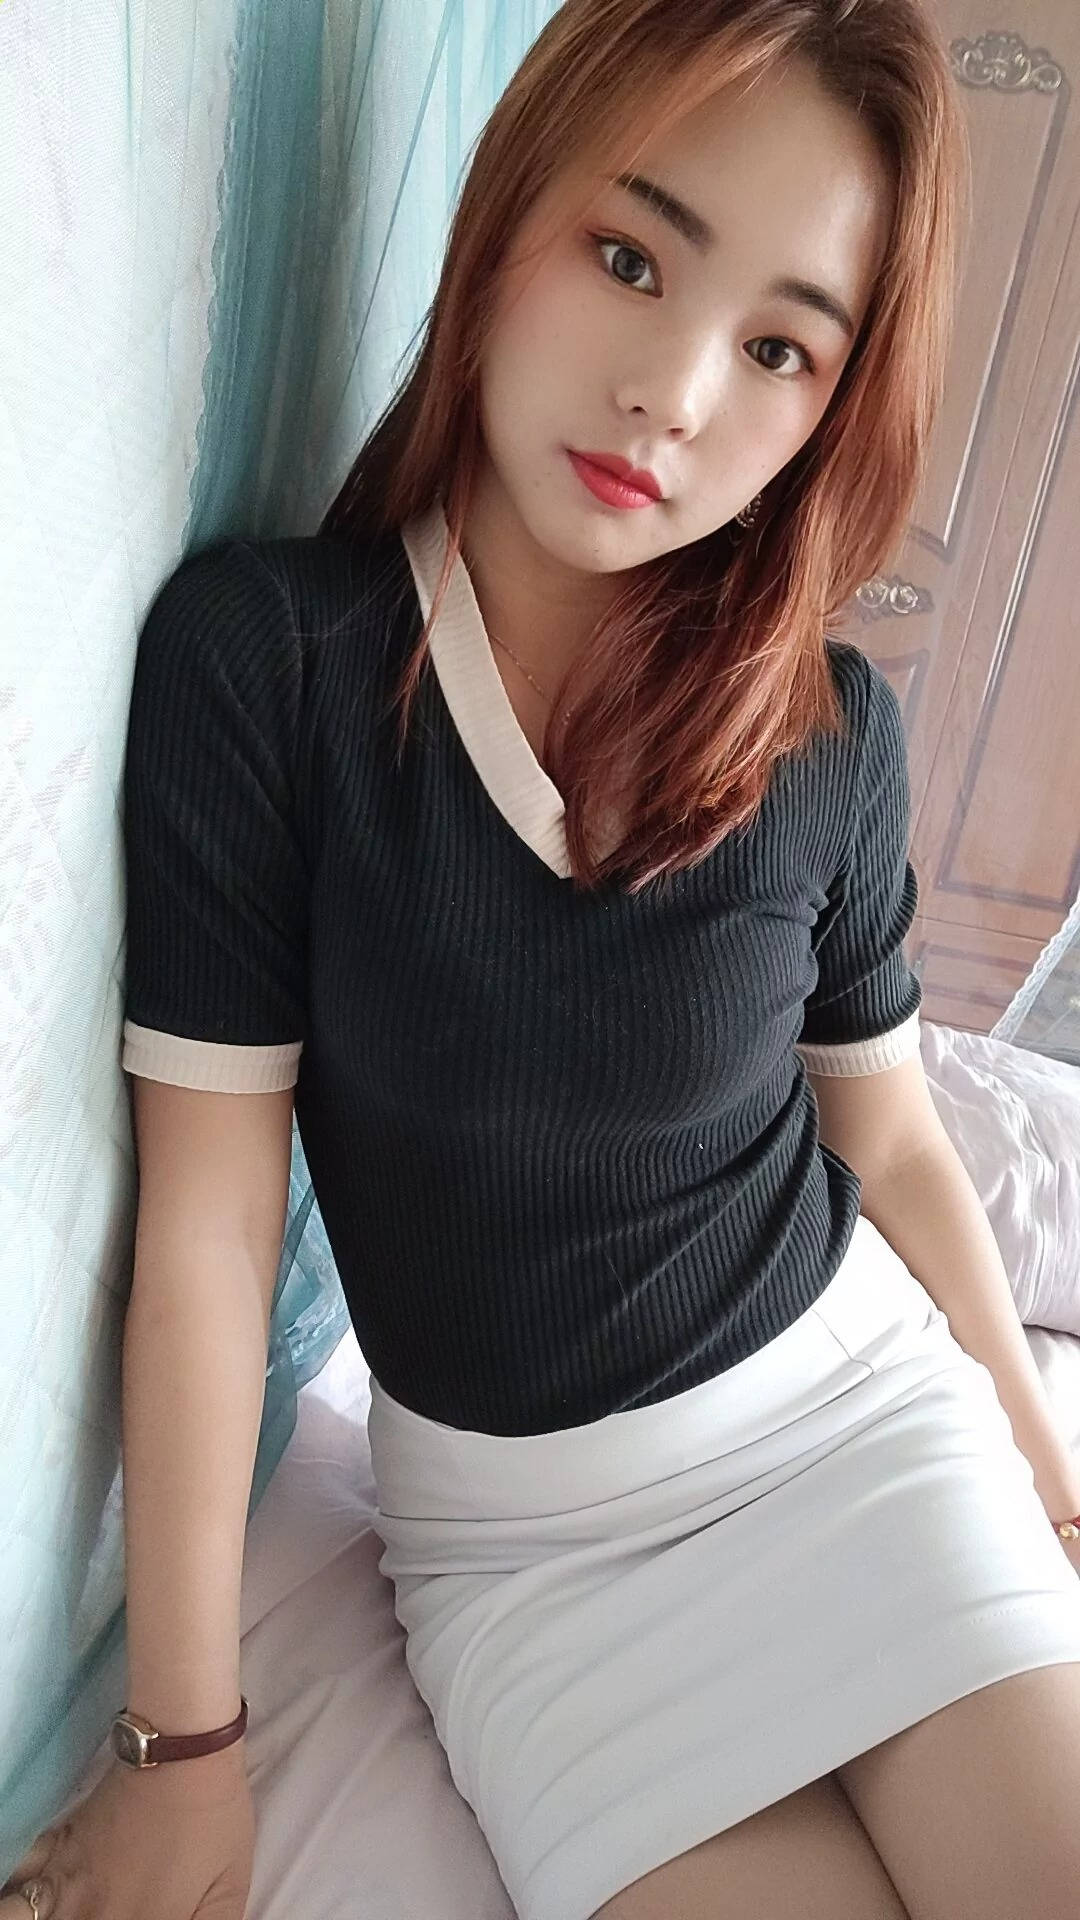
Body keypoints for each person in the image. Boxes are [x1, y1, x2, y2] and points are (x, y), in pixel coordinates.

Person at [6, 2, 1080, 1916]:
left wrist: (1052, 1485)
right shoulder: (272, 669)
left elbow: (896, 1140)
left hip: (862, 1438)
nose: (672, 392)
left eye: (777, 348)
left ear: (831, 407)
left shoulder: (828, 731)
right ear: (508, 215)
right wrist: (185, 1744)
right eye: (631, 256)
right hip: (532, 1569)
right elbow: (211, 1233)